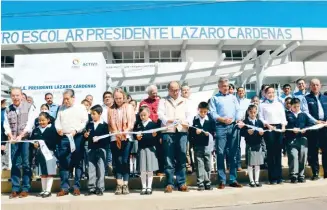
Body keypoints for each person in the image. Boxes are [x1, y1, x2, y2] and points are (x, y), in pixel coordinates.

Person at [209, 77, 244, 189]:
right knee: (220, 153)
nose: (226, 88)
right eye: (223, 86)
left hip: (233, 126)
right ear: (219, 87)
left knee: (233, 153)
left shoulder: (233, 98)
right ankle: (222, 180)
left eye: (227, 86)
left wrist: (238, 118)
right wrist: (222, 119)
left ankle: (233, 179)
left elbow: (239, 110)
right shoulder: (215, 98)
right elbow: (213, 113)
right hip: (221, 127)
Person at [158, 81, 193, 193]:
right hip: (168, 131)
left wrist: (186, 122)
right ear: (168, 90)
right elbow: (160, 114)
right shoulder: (163, 101)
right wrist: (168, 120)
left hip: (182, 131)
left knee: (182, 157)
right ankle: (169, 183)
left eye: (177, 89)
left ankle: (181, 182)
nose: (175, 92)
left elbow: (190, 115)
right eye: (172, 89)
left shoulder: (185, 101)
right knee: (168, 158)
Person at [55, 89, 89, 196]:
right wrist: (58, 129)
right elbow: (57, 121)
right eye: (64, 99)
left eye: (67, 99)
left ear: (73, 98)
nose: (65, 101)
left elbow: (84, 121)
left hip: (77, 136)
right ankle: (64, 188)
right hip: (64, 138)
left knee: (77, 161)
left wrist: (76, 130)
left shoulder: (81, 107)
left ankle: (76, 187)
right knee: (64, 162)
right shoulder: (61, 108)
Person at [7, 87, 36, 199]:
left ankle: (25, 188)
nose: (15, 97)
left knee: (26, 164)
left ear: (21, 95)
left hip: (25, 140)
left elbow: (30, 125)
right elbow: (6, 125)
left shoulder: (29, 107)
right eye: (13, 95)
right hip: (14, 140)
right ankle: (15, 189)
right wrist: (11, 135)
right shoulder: (8, 109)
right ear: (11, 96)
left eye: (17, 95)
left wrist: (21, 135)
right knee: (15, 164)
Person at [108, 88, 135, 195]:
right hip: (115, 138)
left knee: (125, 161)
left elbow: (132, 122)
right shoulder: (110, 109)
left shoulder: (129, 107)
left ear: (123, 97)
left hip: (127, 137)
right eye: (116, 98)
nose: (118, 100)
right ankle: (119, 184)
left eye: (120, 98)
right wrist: (116, 132)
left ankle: (125, 184)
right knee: (117, 161)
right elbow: (109, 124)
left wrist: (125, 131)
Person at [259, 86, 287, 185]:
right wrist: (268, 125)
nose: (271, 94)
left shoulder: (279, 104)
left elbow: (283, 116)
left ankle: (279, 177)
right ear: (265, 94)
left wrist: (283, 126)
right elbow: (261, 117)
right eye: (269, 93)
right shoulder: (262, 105)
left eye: (272, 92)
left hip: (279, 128)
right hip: (269, 129)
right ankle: (272, 178)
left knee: (278, 152)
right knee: (271, 153)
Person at [301, 78, 327, 180]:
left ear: (320, 85)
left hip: (324, 127)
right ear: (309, 86)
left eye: (317, 85)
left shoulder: (325, 98)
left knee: (326, 150)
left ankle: (326, 172)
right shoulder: (306, 98)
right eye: (313, 85)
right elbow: (305, 112)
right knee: (313, 151)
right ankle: (315, 173)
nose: (315, 87)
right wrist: (316, 121)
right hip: (313, 127)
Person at [285, 98, 314, 183]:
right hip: (291, 139)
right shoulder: (287, 114)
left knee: (303, 157)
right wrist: (291, 129)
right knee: (293, 156)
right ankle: (293, 175)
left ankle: (301, 175)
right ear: (291, 106)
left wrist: (305, 129)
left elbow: (310, 125)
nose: (296, 108)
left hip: (302, 138)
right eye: (295, 106)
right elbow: (284, 126)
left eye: (298, 106)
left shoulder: (303, 115)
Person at [31, 112, 59, 198]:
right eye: (39, 120)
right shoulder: (36, 130)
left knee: (49, 172)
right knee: (42, 172)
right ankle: (43, 190)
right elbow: (32, 140)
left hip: (49, 153)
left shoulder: (52, 129)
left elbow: (54, 142)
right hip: (39, 153)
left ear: (48, 120)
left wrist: (42, 144)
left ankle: (48, 190)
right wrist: (34, 144)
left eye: (43, 120)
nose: (41, 122)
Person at [189, 102, 215, 191]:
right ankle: (200, 183)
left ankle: (207, 182)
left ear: (207, 111)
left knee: (208, 164)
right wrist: (195, 133)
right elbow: (190, 131)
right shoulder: (194, 120)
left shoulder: (210, 120)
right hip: (198, 145)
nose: (203, 113)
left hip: (207, 145)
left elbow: (213, 131)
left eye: (205, 112)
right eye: (201, 111)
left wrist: (209, 133)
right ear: (198, 110)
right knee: (199, 164)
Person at [84, 105, 110, 196]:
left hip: (101, 149)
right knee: (91, 168)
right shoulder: (89, 124)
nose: (92, 116)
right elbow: (86, 136)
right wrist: (86, 136)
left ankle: (100, 188)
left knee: (100, 169)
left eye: (94, 114)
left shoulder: (105, 125)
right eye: (91, 114)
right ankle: (91, 187)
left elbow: (107, 139)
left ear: (100, 113)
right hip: (91, 149)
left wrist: (100, 139)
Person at [133, 106, 159, 195]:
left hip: (150, 148)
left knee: (150, 169)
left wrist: (155, 135)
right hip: (141, 148)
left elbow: (158, 137)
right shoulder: (138, 125)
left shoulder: (153, 124)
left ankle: (149, 187)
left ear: (149, 114)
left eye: (144, 115)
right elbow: (134, 134)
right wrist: (136, 137)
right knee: (143, 169)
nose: (143, 117)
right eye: (141, 115)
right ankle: (143, 187)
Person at [140, 85, 164, 176]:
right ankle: (149, 170)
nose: (155, 94)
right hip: (147, 128)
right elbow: (141, 115)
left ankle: (160, 170)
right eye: (152, 93)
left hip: (158, 127)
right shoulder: (143, 102)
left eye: (155, 92)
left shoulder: (160, 102)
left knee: (159, 149)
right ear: (148, 93)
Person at [241, 105, 265, 188]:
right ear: (248, 112)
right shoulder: (245, 122)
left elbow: (263, 132)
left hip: (258, 144)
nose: (253, 114)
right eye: (251, 112)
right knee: (250, 163)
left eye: (254, 112)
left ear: (257, 112)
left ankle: (257, 180)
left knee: (257, 163)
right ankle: (251, 180)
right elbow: (242, 133)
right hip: (250, 144)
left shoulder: (259, 122)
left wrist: (262, 133)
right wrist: (247, 132)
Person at [181, 82, 197, 174]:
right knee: (186, 148)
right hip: (184, 127)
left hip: (193, 127)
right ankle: (188, 166)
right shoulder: (180, 102)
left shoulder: (193, 102)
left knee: (194, 148)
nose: (185, 91)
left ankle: (195, 165)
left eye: (187, 90)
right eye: (184, 90)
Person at [235, 87, 251, 171]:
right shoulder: (234, 101)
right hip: (237, 124)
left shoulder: (248, 101)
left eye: (242, 91)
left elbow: (250, 112)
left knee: (248, 143)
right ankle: (238, 164)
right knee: (237, 145)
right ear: (237, 92)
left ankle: (249, 163)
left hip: (246, 124)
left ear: (244, 92)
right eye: (239, 91)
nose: (241, 92)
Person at [101, 91, 113, 176]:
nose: (107, 98)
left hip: (114, 133)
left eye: (109, 96)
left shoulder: (115, 107)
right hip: (104, 133)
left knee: (112, 152)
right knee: (105, 151)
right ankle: (105, 170)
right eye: (105, 97)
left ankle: (112, 169)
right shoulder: (101, 108)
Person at [1, 98, 12, 170]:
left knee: (7, 154)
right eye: (1, 101)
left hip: (6, 137)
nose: (3, 103)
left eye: (3, 101)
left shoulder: (7, 110)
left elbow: (8, 124)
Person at [129, 99, 139, 177]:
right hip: (128, 137)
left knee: (135, 154)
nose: (132, 106)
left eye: (133, 105)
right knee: (129, 154)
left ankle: (135, 170)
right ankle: (130, 170)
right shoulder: (126, 114)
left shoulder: (138, 115)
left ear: (136, 106)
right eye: (130, 105)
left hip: (136, 138)